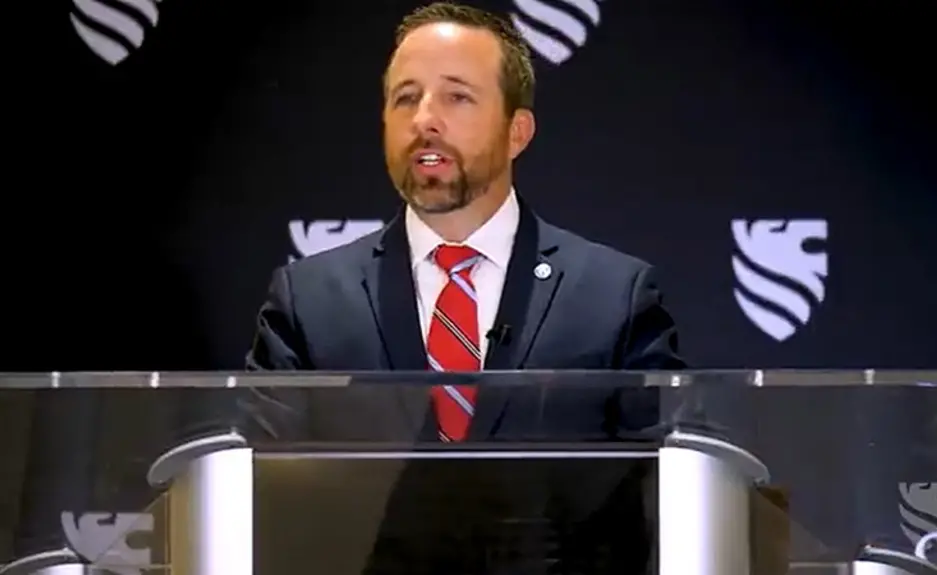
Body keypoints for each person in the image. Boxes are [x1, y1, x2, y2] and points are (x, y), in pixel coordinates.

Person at [245, 4, 680, 573]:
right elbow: (256, 489)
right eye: (405, 97)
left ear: (517, 131)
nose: (425, 118)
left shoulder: (615, 297)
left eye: (456, 97)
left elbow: (663, 500)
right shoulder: (308, 301)